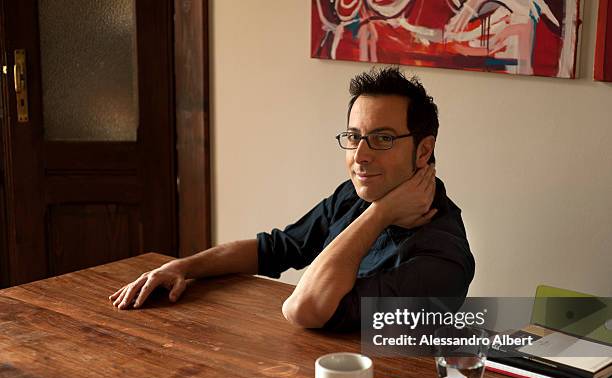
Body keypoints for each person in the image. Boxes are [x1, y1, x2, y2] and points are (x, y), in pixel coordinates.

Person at [110, 67, 474, 330]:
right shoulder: (356, 196)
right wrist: (182, 268)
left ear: (424, 150)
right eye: (354, 136)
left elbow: (305, 308)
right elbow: (276, 248)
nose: (360, 156)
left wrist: (377, 216)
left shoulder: (442, 257)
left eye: (382, 139)